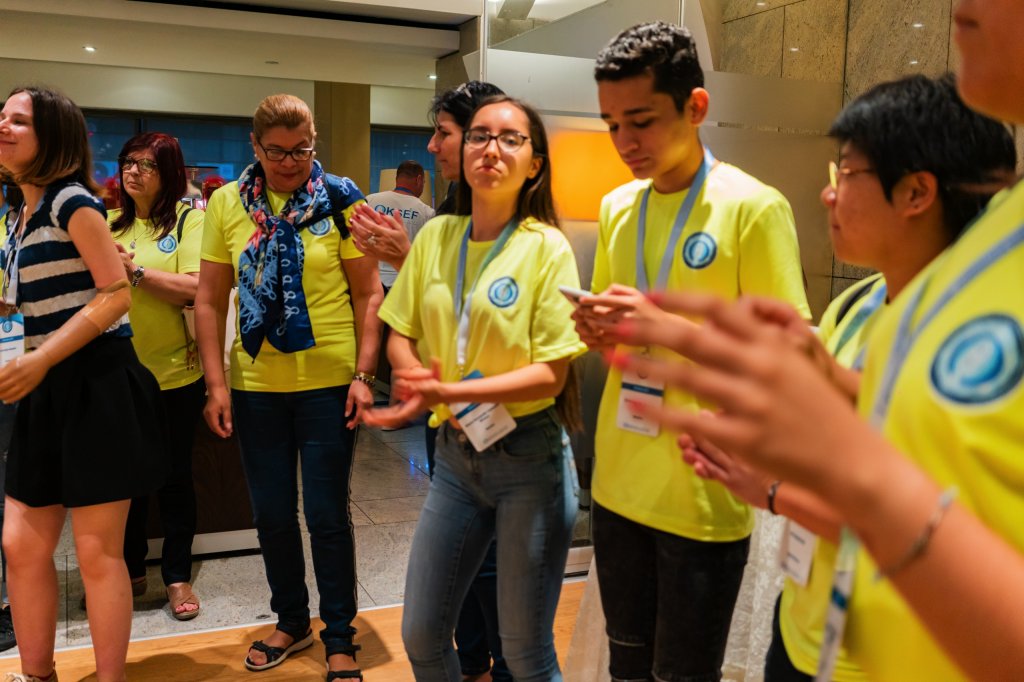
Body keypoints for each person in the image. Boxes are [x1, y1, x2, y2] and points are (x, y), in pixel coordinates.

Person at [603, 1, 1024, 678]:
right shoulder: (883, 297)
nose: (828, 197)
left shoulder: (756, 206)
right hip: (811, 624)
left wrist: (788, 480)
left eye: (847, 175)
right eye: (612, 124)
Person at [570, 21, 810, 682]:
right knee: (626, 667)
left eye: (641, 121)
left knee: (684, 674)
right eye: (611, 124)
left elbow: (788, 360)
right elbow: (623, 345)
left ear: (696, 107)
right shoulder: (618, 206)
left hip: (702, 492)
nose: (624, 142)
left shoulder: (754, 208)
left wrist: (669, 328)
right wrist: (603, 335)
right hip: (618, 483)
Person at [363, 94, 585, 681]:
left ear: (534, 165)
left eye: (511, 139)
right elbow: (401, 331)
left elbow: (553, 374)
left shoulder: (546, 247)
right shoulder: (439, 235)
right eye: (480, 135)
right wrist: (411, 374)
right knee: (422, 635)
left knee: (525, 652)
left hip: (529, 459)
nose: (491, 148)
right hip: (457, 460)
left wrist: (450, 394)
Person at [195, 93, 382, 680]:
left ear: (314, 142)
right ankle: (292, 620)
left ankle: (341, 634)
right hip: (256, 384)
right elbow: (208, 299)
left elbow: (368, 294)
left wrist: (364, 375)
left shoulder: (342, 199)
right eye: (275, 152)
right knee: (272, 514)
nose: (289, 163)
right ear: (255, 146)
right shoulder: (227, 204)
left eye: (301, 150)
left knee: (326, 515)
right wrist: (216, 384)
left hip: (330, 382)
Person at [0, 86, 165, 682]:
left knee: (97, 551)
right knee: (21, 544)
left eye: (19, 120)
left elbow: (116, 294)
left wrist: (41, 359)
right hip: (43, 387)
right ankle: (37, 673)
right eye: (2, 117)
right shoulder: (17, 217)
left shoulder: (71, 201)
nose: (3, 126)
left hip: (96, 384)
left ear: (54, 136)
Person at [351, 80, 512, 682]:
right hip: (448, 413)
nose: (431, 145)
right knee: (462, 554)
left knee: (491, 555)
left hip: (499, 413)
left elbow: (487, 314)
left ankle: (503, 664)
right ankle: (472, 660)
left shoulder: (514, 222)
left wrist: (405, 257)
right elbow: (418, 314)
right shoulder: (446, 216)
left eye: (442, 133)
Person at [108, 132, 207, 621]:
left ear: (169, 173)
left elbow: (194, 287)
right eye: (129, 161)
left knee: (174, 478)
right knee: (123, 481)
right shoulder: (106, 223)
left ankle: (176, 574)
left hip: (175, 374)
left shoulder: (190, 221)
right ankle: (128, 570)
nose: (134, 170)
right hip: (115, 375)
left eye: (146, 164)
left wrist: (135, 273)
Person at [363, 159, 434, 291]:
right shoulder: (427, 212)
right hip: (404, 283)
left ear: (397, 178)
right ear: (419, 180)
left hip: (371, 280)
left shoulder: (369, 200)